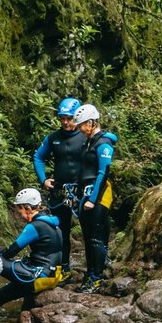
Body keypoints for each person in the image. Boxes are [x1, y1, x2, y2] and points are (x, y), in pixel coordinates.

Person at [0, 189, 65, 313]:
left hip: (38, 276)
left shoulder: (35, 226)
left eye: (19, 209)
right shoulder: (53, 224)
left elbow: (11, 252)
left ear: (28, 208)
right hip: (52, 277)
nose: (18, 214)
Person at [32, 96, 84, 272]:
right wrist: (43, 180)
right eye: (62, 118)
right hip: (60, 192)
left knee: (90, 229)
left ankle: (95, 271)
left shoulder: (86, 137)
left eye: (69, 118)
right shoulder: (54, 138)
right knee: (61, 231)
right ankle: (63, 267)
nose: (65, 122)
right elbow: (38, 157)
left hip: (82, 191)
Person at [73, 104, 116, 293]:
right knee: (88, 237)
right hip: (85, 193)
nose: (79, 129)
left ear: (92, 122)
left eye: (82, 125)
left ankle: (97, 278)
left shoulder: (103, 143)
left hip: (97, 195)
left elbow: (103, 172)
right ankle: (90, 272)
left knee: (96, 238)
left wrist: (93, 199)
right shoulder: (89, 142)